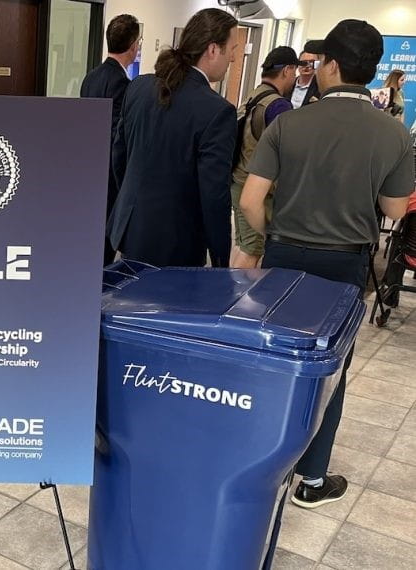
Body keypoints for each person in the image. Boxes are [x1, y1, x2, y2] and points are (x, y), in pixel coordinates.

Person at [240, 19, 413, 509]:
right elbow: (396, 210)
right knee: (328, 369)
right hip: (344, 265)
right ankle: (312, 480)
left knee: (273, 359)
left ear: (332, 65)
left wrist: (276, 231)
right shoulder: (392, 133)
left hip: (285, 256)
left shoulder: (288, 123)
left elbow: (251, 201)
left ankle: (262, 464)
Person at [108, 8, 238, 268]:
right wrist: (221, 259)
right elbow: (214, 195)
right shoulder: (217, 111)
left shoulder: (139, 88)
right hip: (177, 243)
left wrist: (132, 200)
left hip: (129, 230)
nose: (233, 58)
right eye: (232, 49)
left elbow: (119, 156)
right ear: (213, 50)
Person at [230, 46, 301, 269]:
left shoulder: (253, 95)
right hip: (257, 188)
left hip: (238, 179)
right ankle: (232, 297)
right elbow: (288, 151)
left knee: (243, 243)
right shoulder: (279, 106)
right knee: (253, 248)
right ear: (288, 70)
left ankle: (227, 288)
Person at [80, 14, 141, 265]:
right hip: (108, 176)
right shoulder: (123, 85)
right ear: (134, 45)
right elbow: (117, 138)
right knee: (104, 242)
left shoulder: (90, 78)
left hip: (85, 169)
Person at [289, 42, 321, 109]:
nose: (307, 66)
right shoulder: (289, 83)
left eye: (312, 62)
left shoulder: (320, 87)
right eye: (303, 62)